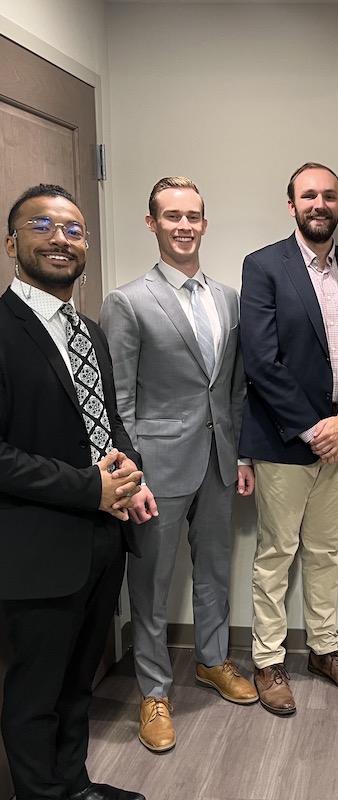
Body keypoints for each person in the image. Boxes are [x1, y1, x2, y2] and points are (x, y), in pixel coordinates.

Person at [99, 177, 257, 754]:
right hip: (155, 469)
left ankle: (213, 661)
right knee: (152, 581)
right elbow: (119, 400)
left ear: (204, 223)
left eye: (193, 216)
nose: (184, 225)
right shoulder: (128, 301)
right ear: (152, 224)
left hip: (219, 462)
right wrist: (130, 475)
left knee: (215, 568)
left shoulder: (229, 299)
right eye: (171, 216)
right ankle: (154, 691)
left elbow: (234, 388)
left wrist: (240, 454)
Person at [0, 184, 145, 800]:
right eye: (43, 226)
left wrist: (130, 473)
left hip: (102, 539)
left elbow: (104, 420)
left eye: (74, 230)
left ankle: (73, 785)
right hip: (37, 545)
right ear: (12, 242)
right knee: (36, 692)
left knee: (79, 680)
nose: (62, 239)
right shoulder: (3, 330)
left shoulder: (89, 331)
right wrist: (91, 487)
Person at [239, 162, 338, 715]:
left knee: (325, 553)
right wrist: (311, 427)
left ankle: (324, 652)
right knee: (276, 553)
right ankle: (268, 661)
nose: (319, 204)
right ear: (292, 204)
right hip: (285, 441)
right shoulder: (264, 267)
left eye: (329, 196)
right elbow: (261, 360)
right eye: (309, 196)